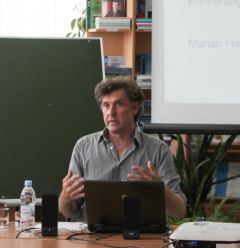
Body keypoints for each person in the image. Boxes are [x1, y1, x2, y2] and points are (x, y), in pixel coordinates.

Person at [59, 76, 186, 221]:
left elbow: (179, 211)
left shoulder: (158, 149)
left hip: (141, 233)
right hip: (91, 233)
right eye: (106, 105)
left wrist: (160, 190)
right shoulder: (83, 147)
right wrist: (65, 199)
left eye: (119, 104)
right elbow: (68, 212)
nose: (111, 112)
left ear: (135, 108)